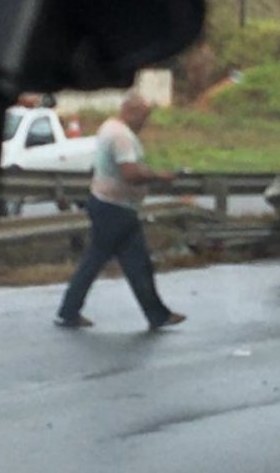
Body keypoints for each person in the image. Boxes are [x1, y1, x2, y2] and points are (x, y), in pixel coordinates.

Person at [55, 93, 186, 331]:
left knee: (133, 263)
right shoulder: (121, 136)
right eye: (144, 117)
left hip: (111, 205)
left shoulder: (109, 126)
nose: (144, 123)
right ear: (131, 111)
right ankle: (69, 311)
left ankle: (156, 314)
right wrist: (159, 176)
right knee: (100, 261)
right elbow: (131, 174)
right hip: (114, 209)